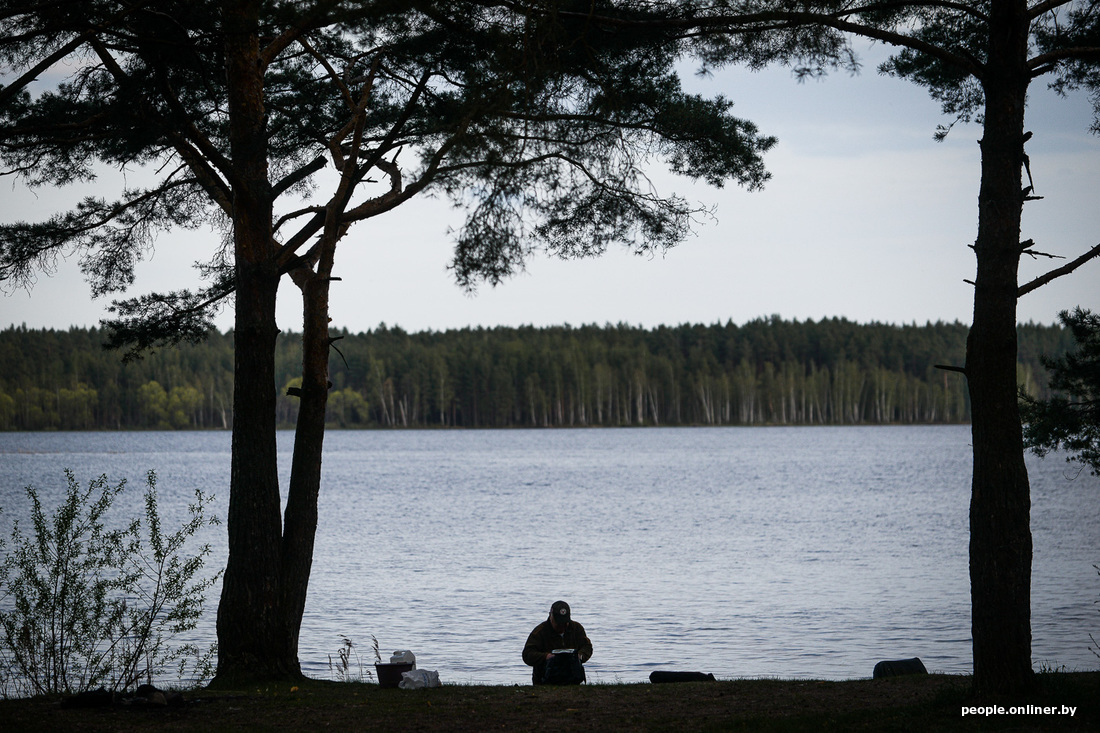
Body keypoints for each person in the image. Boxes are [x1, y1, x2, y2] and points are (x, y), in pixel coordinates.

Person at [522, 600, 592, 685]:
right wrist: (546, 657)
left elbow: (587, 646)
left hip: (573, 680)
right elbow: (527, 654)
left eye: (565, 623)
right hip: (545, 681)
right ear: (550, 616)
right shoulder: (539, 632)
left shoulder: (576, 628)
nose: (562, 626)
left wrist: (579, 656)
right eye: (559, 623)